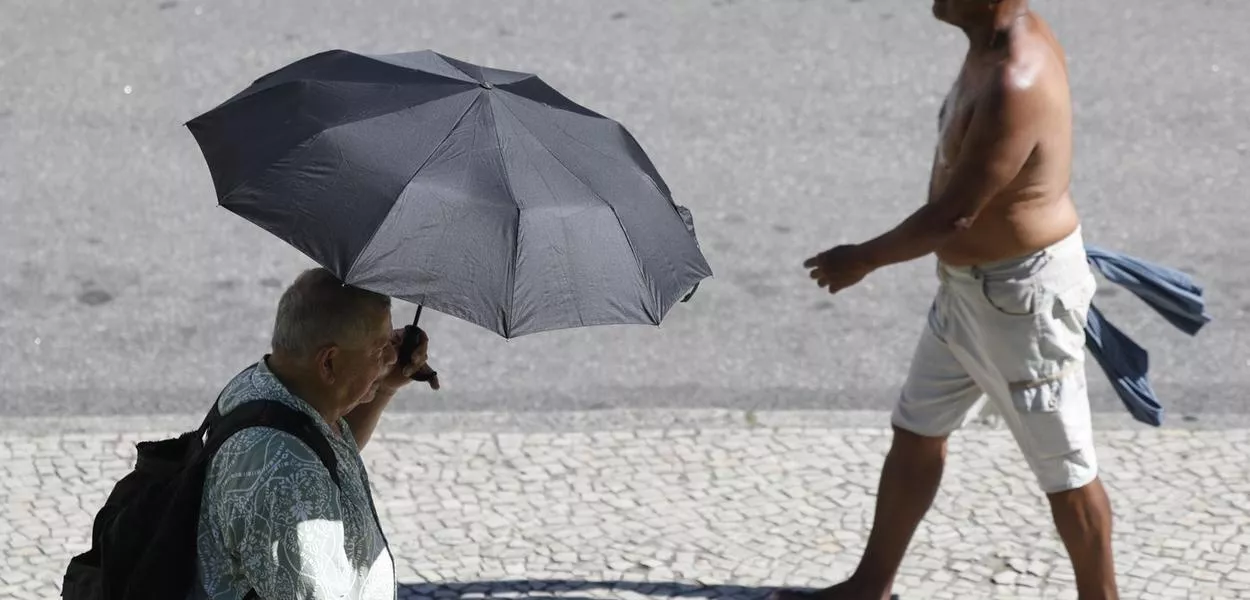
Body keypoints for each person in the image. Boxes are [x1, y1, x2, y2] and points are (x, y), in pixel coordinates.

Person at [783, 1, 1118, 599]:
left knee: (1068, 472)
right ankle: (871, 588)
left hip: (1021, 303)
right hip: (969, 292)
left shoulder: (1016, 78)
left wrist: (861, 258)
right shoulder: (989, 46)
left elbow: (953, 215)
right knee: (916, 429)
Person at [190, 267, 437, 599]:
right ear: (329, 363)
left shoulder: (268, 387)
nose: (392, 356)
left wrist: (382, 386)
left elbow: (329, 456)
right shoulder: (285, 478)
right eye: (379, 350)